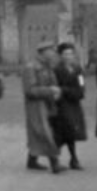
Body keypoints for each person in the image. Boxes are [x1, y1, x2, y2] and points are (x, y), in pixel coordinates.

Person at [21, 41, 64, 174]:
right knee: (44, 133)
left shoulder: (47, 66)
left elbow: (54, 83)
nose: (53, 53)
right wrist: (50, 90)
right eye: (51, 50)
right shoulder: (31, 67)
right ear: (43, 52)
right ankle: (54, 162)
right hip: (36, 105)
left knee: (40, 133)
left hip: (48, 103)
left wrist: (56, 91)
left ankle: (32, 160)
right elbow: (30, 90)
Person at [53, 42, 87, 170]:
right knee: (63, 132)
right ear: (60, 56)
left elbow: (81, 85)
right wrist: (67, 90)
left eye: (71, 53)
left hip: (74, 104)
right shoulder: (56, 70)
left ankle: (73, 159)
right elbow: (56, 87)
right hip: (62, 105)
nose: (69, 56)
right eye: (66, 54)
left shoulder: (78, 69)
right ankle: (56, 159)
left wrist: (79, 91)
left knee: (71, 132)